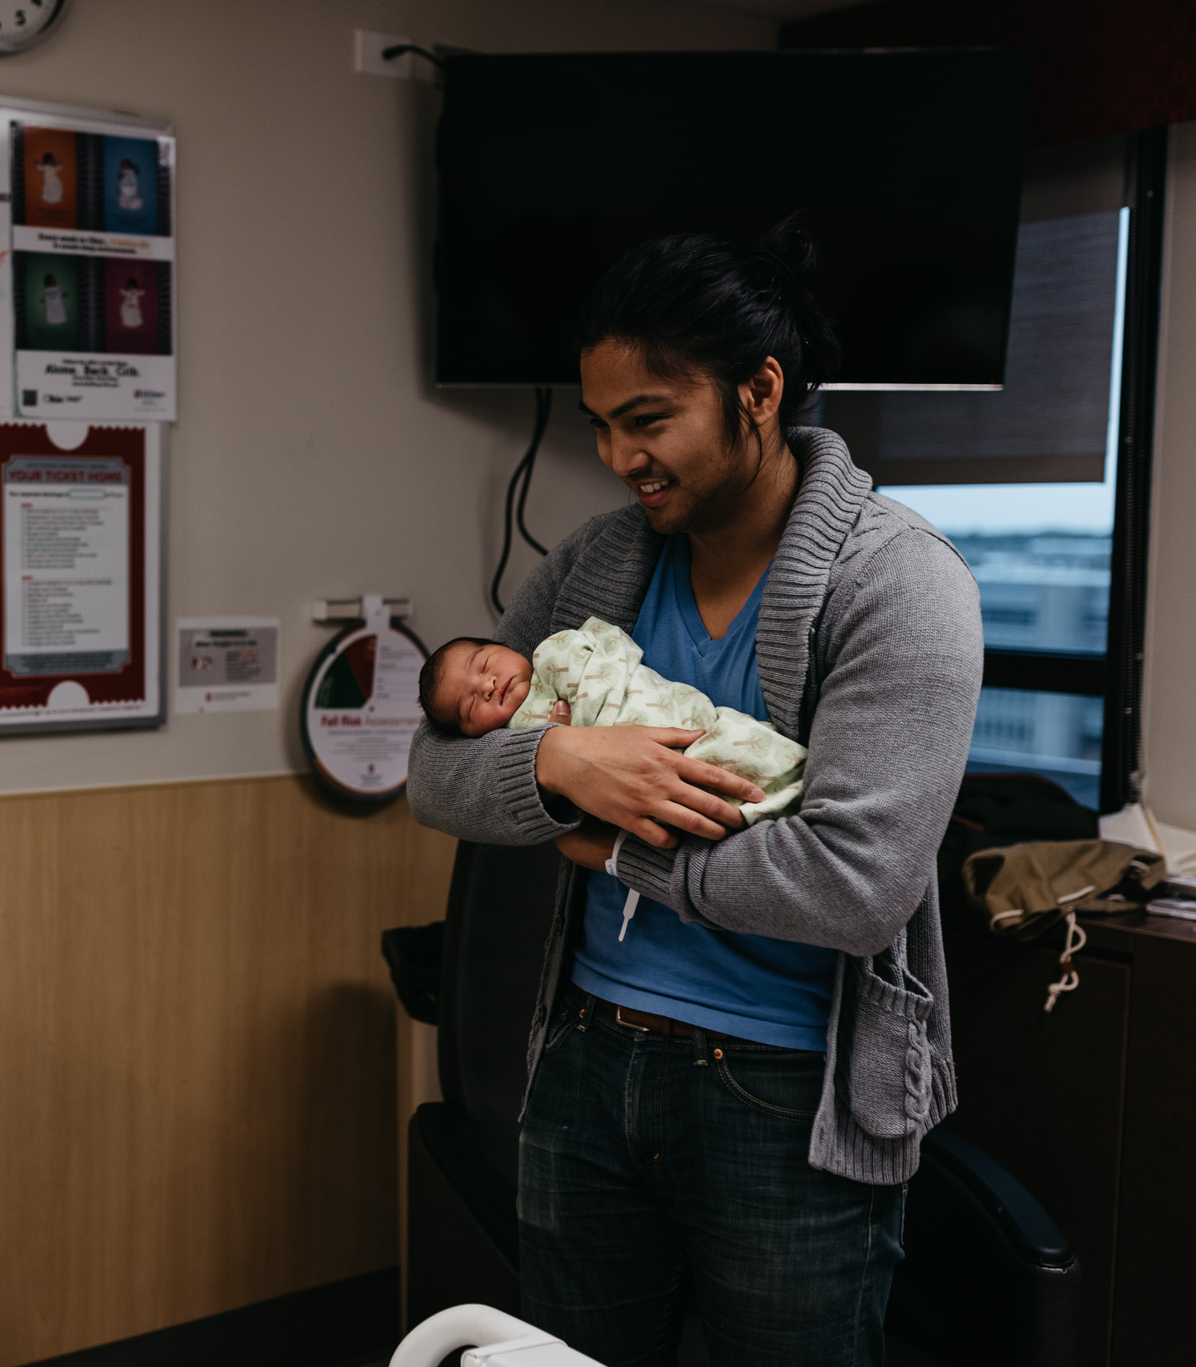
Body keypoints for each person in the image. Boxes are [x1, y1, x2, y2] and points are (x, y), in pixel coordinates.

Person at [405, 221, 982, 1367]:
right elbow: (433, 772)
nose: (620, 458)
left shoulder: (896, 582)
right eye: (603, 427)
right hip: (582, 1060)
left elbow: (853, 887)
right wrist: (559, 768)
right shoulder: (595, 564)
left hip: (781, 1094)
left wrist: (614, 850)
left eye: (648, 419)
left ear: (758, 391)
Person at [417, 622, 808, 827]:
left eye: (484, 665)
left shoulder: (554, 652)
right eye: (469, 707)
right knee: (710, 799)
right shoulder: (518, 737)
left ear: (506, 646)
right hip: (653, 800)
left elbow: (610, 648)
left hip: (678, 717)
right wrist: (555, 753)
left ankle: (799, 780)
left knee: (733, 740)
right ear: (474, 736)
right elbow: (427, 782)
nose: (486, 686)